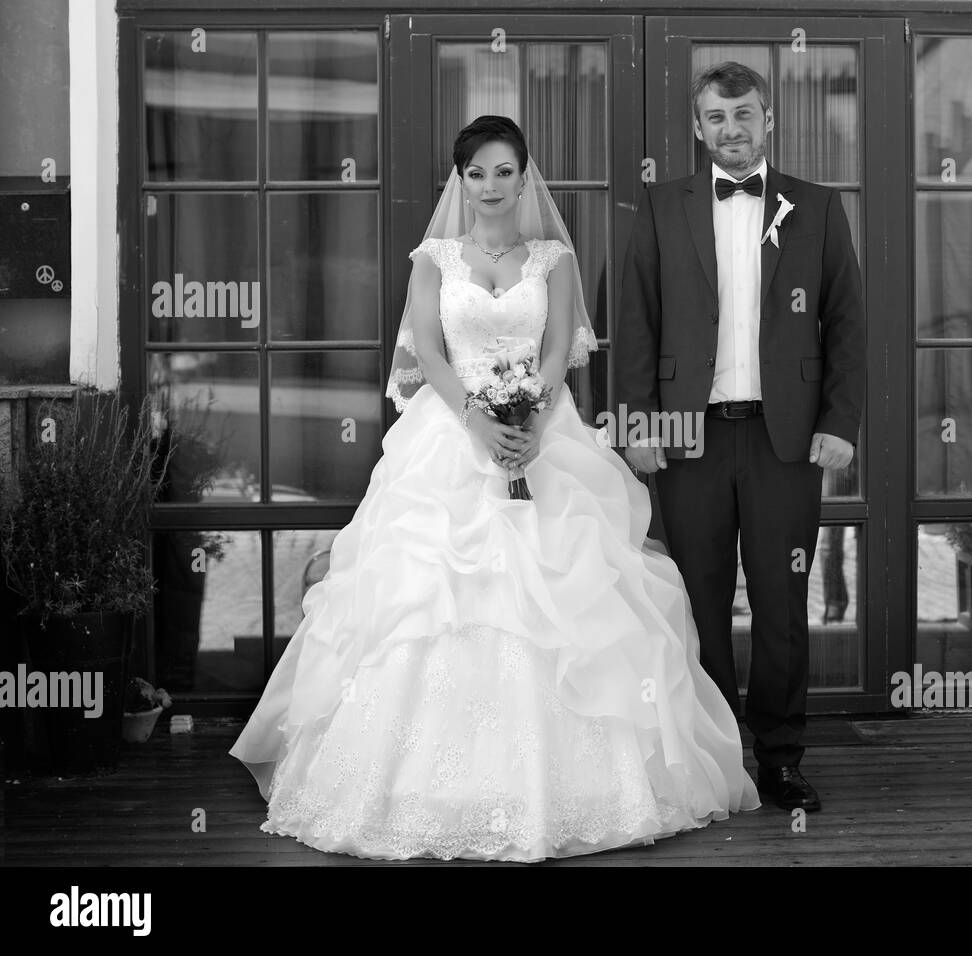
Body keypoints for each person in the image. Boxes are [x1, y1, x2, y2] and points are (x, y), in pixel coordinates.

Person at [230, 115, 759, 862]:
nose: (490, 186)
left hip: (546, 436)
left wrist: (533, 421)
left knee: (568, 594)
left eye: (504, 171)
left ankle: (574, 791)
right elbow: (429, 351)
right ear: (461, 180)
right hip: (450, 435)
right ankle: (416, 791)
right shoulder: (433, 258)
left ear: (522, 175)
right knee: (428, 602)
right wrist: (480, 422)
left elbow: (557, 352)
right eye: (476, 173)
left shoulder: (553, 259)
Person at [616, 63, 866, 812]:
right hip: (685, 438)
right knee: (699, 600)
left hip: (783, 439)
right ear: (698, 128)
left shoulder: (816, 208)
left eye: (745, 115)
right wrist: (637, 424)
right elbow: (636, 321)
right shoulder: (662, 206)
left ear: (769, 120)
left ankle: (782, 758)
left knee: (783, 602)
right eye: (717, 117)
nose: (732, 129)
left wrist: (839, 422)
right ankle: (713, 758)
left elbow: (848, 323)